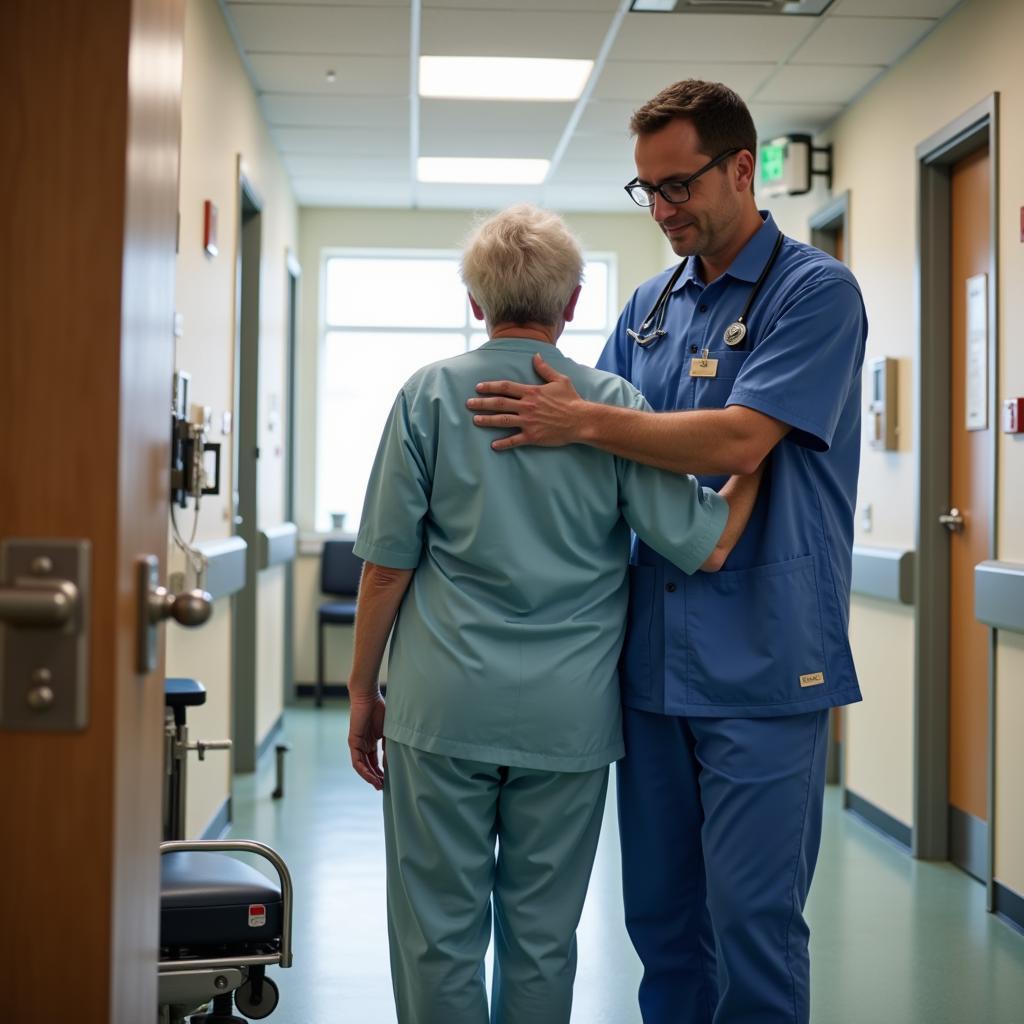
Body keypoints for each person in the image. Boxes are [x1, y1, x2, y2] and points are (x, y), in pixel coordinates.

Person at [466, 81, 868, 1024]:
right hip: (650, 663)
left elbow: (737, 441)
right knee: (659, 919)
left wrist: (584, 419)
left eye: (679, 186)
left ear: (740, 168)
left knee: (751, 919)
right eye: (645, 190)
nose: (662, 209)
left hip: (765, 660)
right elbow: (593, 460)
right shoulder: (648, 307)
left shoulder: (813, 294)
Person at [346, 203, 764, 1024]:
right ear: (573, 303)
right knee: (543, 938)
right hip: (566, 720)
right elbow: (709, 545)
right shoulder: (610, 407)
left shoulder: (427, 397)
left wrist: (364, 692)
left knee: (436, 932)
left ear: (475, 302)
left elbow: (387, 569)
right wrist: (762, 451)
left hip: (443, 709)